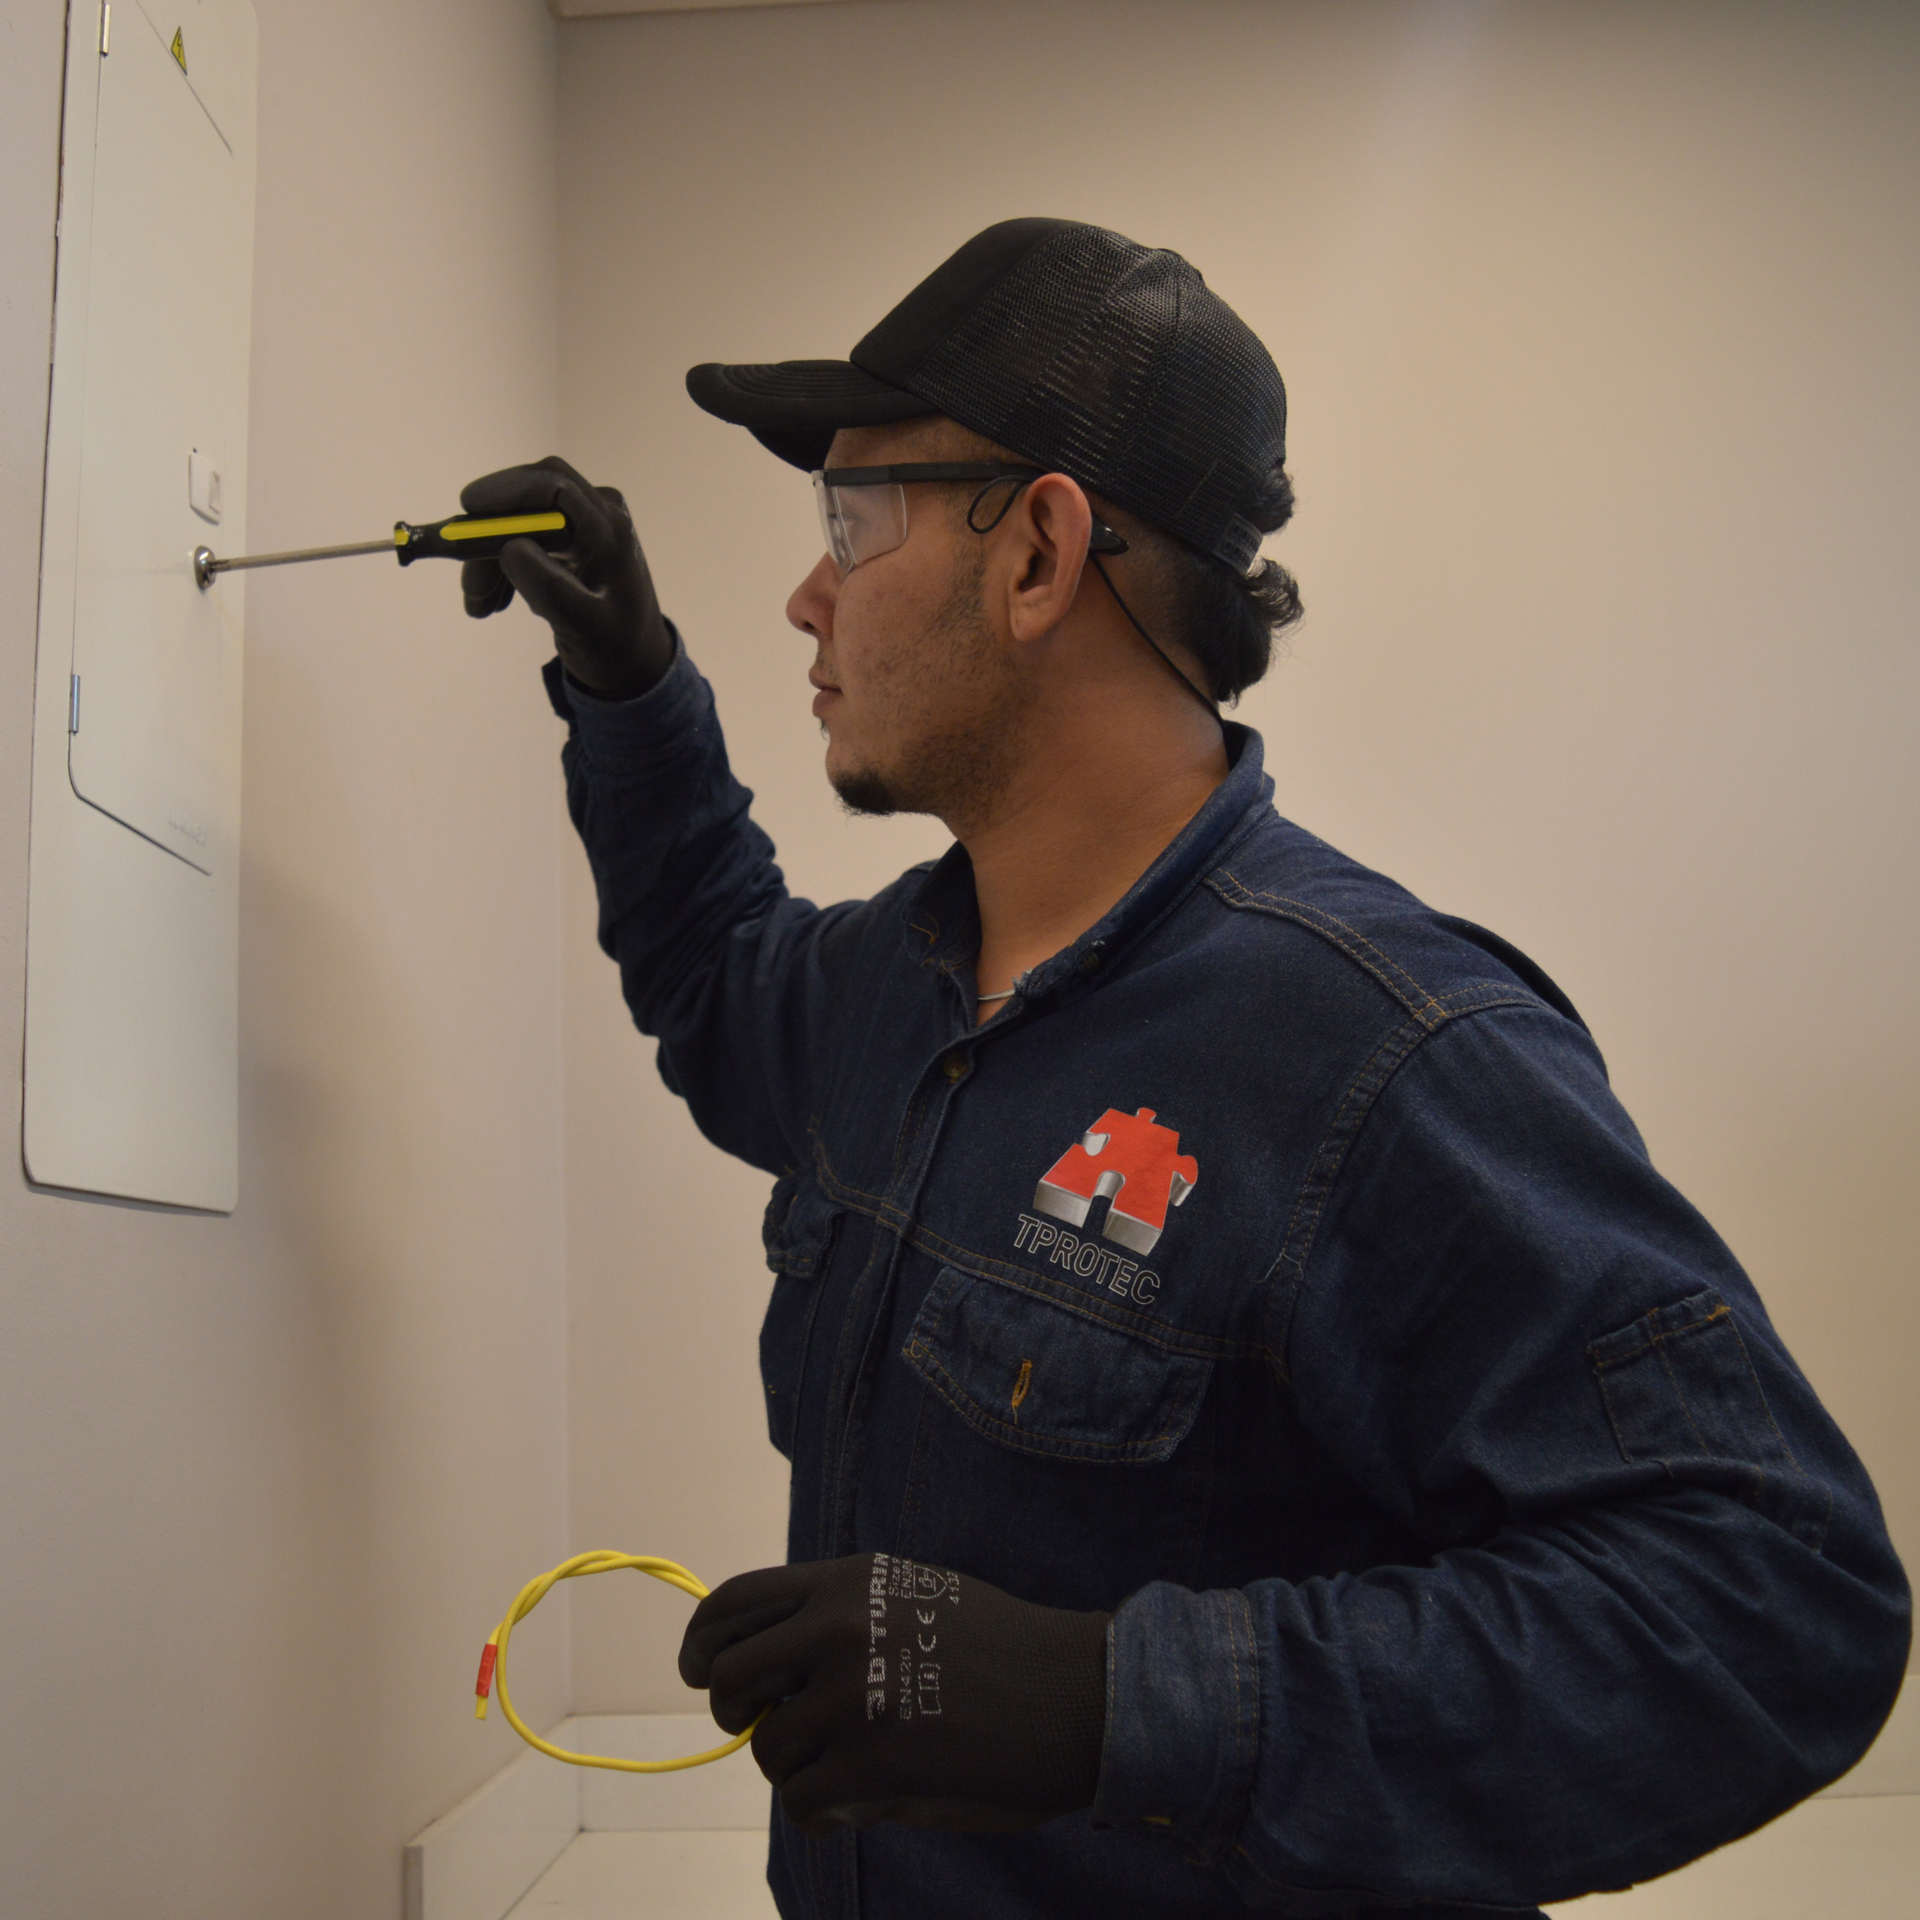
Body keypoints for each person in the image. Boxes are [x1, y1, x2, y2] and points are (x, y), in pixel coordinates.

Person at [459, 218, 1908, 1920]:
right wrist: (629, 684)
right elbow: (715, 987)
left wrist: (1107, 1705)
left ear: (1038, 554)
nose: (807, 590)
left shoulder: (1388, 1051)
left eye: (853, 521)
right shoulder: (901, 980)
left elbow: (1770, 1604)